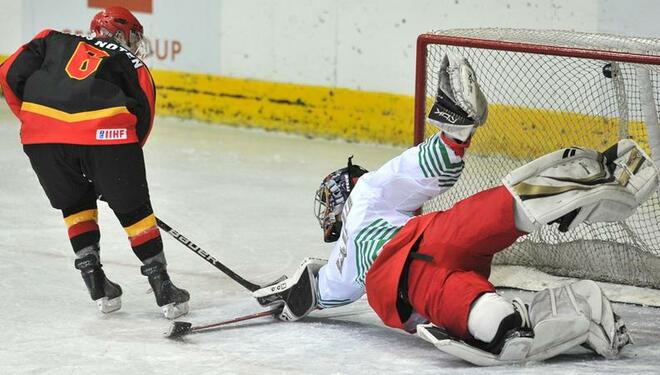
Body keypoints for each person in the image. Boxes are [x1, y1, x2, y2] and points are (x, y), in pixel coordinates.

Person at [253, 53, 658, 365]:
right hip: (443, 237)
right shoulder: (350, 249)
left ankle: (519, 317)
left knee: (489, 322)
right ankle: (587, 192)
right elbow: (323, 290)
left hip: (412, 270)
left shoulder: (364, 198)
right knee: (504, 209)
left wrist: (294, 298)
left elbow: (325, 288)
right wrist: (297, 295)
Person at [0, 6, 189, 319]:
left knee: (75, 203)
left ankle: (97, 283)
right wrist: (114, 170)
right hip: (107, 138)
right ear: (122, 33)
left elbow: (8, 73)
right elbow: (143, 118)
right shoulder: (131, 61)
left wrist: (34, 121)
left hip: (41, 138)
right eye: (133, 36)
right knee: (134, 211)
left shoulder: (50, 39)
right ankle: (164, 290)